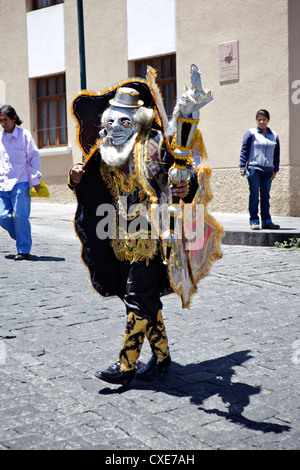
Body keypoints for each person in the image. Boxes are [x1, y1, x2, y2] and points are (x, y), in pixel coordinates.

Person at [69, 68, 223, 386]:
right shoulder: (107, 148)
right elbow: (91, 185)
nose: (116, 125)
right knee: (143, 297)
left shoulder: (156, 145)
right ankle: (163, 356)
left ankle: (126, 365)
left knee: (137, 294)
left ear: (137, 119)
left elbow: (186, 173)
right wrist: (76, 179)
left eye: (124, 119)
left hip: (154, 231)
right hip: (122, 234)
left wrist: (184, 184)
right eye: (113, 119)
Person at [0, 105, 42, 260]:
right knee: (2, 217)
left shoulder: (25, 136)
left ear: (14, 119)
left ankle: (23, 250)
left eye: (5, 120)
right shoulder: (0, 139)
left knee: (20, 217)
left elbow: (34, 158)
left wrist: (35, 179)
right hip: (2, 184)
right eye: (0, 120)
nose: (3, 123)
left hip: (20, 182)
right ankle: (21, 236)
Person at [239, 109, 280, 230]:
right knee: (254, 195)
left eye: (264, 119)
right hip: (254, 169)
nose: (261, 122)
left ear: (268, 120)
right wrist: (242, 166)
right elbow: (244, 150)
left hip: (268, 171)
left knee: (266, 196)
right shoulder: (251, 133)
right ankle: (254, 221)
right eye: (259, 119)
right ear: (256, 120)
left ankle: (267, 221)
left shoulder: (274, 136)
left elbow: (276, 154)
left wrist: (275, 170)